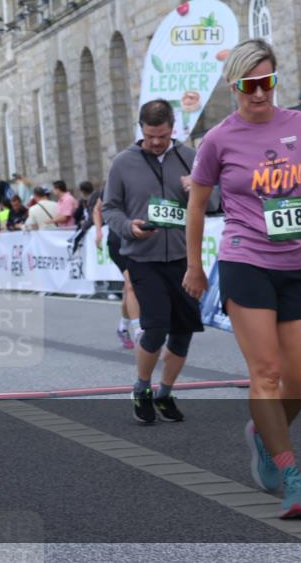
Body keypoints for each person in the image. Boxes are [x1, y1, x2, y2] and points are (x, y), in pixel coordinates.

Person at [183, 39, 301, 519]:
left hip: (295, 263)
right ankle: (292, 474)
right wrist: (195, 266)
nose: (260, 93)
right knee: (267, 373)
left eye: (267, 82)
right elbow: (196, 205)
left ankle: (262, 431)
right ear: (234, 86)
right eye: (250, 85)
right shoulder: (218, 140)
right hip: (244, 260)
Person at [103, 99, 208, 424]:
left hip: (183, 258)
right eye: (150, 136)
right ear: (141, 130)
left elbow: (216, 201)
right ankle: (142, 387)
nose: (157, 142)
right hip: (143, 258)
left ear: (173, 128)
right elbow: (110, 208)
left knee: (183, 331)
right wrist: (128, 227)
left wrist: (199, 189)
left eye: (162, 136)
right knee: (156, 327)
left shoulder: (190, 157)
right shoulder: (123, 163)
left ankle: (165, 392)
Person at [95, 193, 139, 349]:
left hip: (140, 242)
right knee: (131, 285)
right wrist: (98, 231)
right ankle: (139, 331)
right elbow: (97, 209)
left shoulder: (148, 181)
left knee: (129, 288)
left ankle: (123, 327)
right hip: (117, 243)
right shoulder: (113, 183)